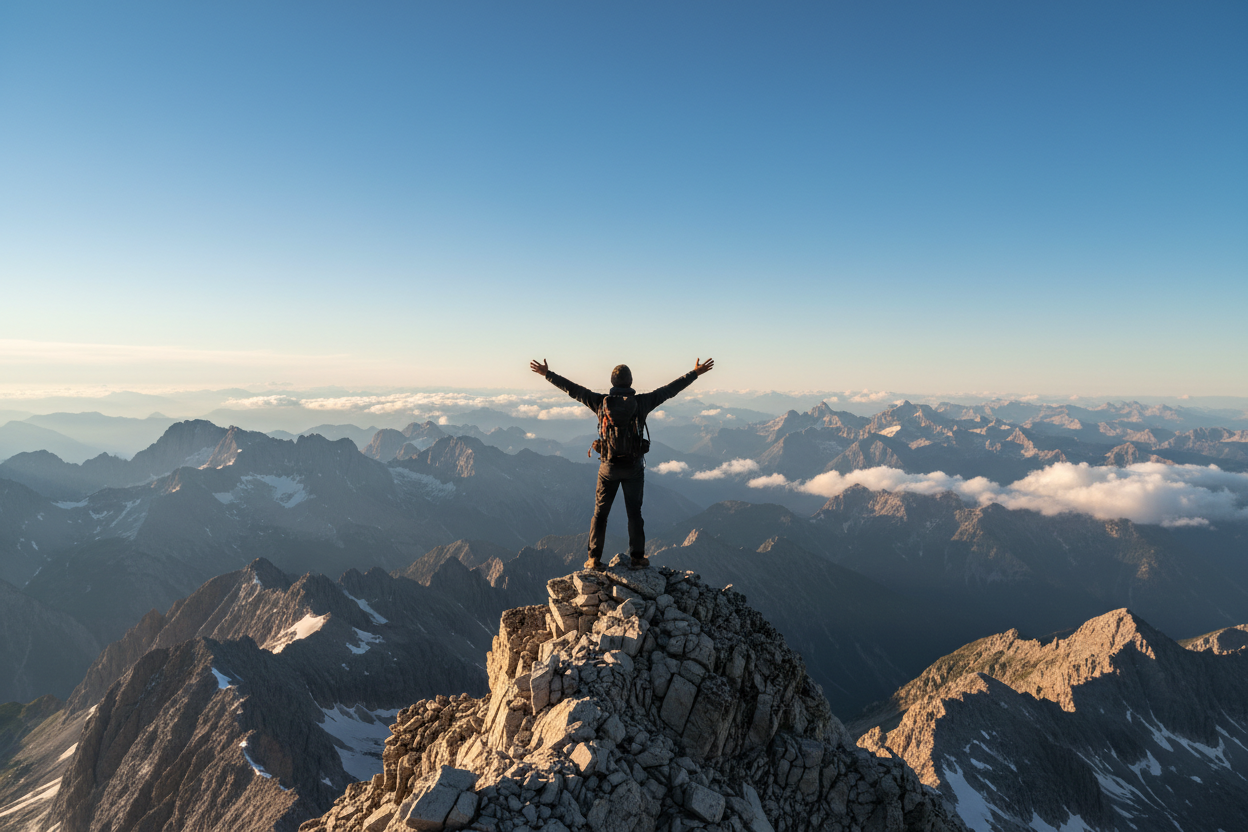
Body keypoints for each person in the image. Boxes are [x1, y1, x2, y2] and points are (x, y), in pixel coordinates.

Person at [530, 357, 715, 570]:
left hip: (607, 467)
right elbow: (669, 390)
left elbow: (573, 389)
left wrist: (547, 374)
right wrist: (695, 373)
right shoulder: (642, 403)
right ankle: (637, 558)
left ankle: (593, 559)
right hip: (633, 468)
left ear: (612, 382)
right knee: (634, 513)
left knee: (600, 514)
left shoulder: (600, 402)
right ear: (631, 382)